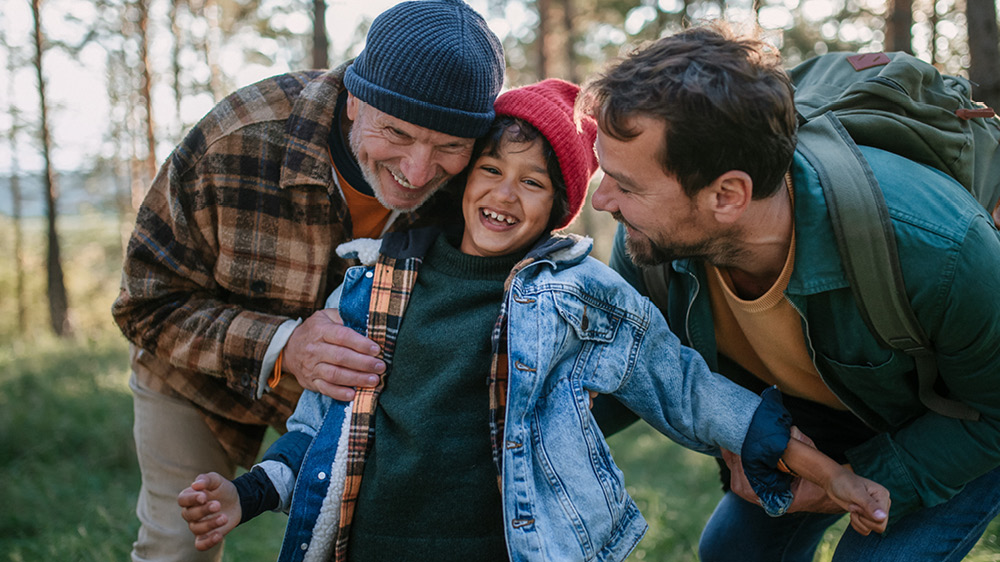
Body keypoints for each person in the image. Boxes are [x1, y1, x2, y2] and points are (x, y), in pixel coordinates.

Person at [176, 79, 890, 562]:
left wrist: (830, 473)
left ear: (560, 206)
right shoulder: (374, 284)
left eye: (535, 182)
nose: (504, 193)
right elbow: (314, 432)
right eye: (490, 169)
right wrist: (242, 498)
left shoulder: (582, 293)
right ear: (463, 176)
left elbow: (691, 391)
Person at [580, 22, 1000, 562]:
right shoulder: (655, 245)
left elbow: (991, 410)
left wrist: (841, 485)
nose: (603, 200)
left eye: (627, 185)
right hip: (821, 412)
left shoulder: (939, 247)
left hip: (953, 421)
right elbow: (623, 374)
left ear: (728, 195)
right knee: (733, 551)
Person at [110, 1, 504, 560]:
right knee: (178, 542)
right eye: (397, 133)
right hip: (195, 379)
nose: (418, 172)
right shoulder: (238, 139)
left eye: (448, 146)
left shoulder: (481, 179)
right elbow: (144, 303)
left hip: (355, 399)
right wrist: (286, 344)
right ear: (353, 99)